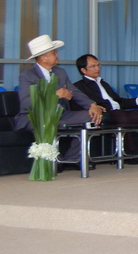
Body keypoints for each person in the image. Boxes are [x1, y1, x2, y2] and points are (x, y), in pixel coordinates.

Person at [15, 35, 105, 168]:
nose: (57, 55)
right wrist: (55, 95)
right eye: (53, 53)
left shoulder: (60, 72)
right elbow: (26, 103)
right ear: (44, 58)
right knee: (45, 122)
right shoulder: (27, 76)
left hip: (59, 115)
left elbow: (75, 92)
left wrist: (92, 104)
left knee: (92, 116)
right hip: (35, 117)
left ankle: (72, 159)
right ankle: (52, 161)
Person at [73, 54, 138, 162]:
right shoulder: (79, 87)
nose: (97, 68)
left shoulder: (103, 83)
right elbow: (77, 104)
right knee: (120, 116)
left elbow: (119, 101)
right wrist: (93, 107)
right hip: (107, 114)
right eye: (93, 66)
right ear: (83, 70)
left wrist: (137, 100)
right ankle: (129, 153)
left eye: (98, 65)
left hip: (119, 112)